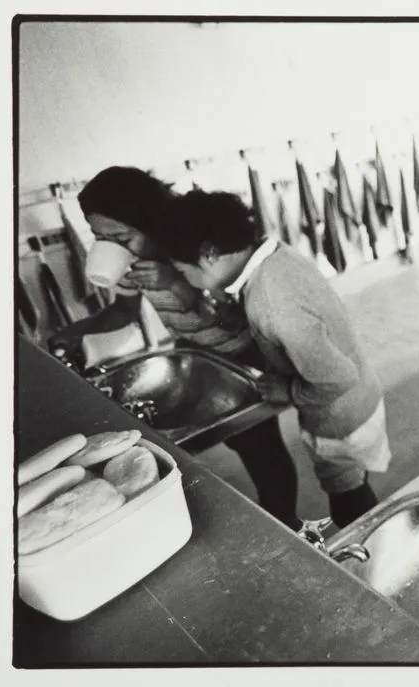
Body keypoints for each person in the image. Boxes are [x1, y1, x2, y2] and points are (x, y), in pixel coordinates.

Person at [47, 167, 302, 529]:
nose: (109, 246)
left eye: (120, 236)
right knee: (240, 441)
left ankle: (285, 518)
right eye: (98, 236)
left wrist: (174, 282)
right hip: (198, 350)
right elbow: (124, 311)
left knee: (262, 447)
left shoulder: (189, 249)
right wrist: (77, 331)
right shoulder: (130, 260)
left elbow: (232, 316)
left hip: (243, 353)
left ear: (150, 222)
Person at [162, 190, 389, 527]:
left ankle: (363, 559)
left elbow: (338, 378)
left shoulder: (270, 304)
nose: (187, 282)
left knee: (349, 499)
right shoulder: (276, 255)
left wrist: (288, 390)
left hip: (338, 416)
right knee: (353, 482)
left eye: (183, 272)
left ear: (209, 254)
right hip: (361, 400)